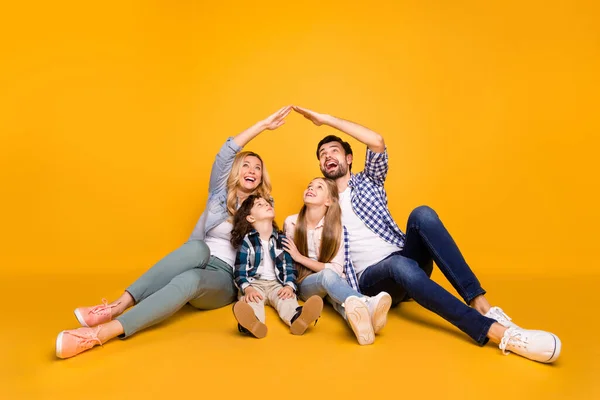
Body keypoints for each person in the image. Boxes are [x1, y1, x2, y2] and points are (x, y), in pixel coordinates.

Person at [293, 105, 561, 363]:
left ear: (348, 158)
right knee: (398, 265)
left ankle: (483, 306)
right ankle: (497, 333)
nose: (328, 156)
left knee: (422, 214)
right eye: (322, 154)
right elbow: (304, 237)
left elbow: (376, 141)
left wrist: (325, 120)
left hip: (406, 259)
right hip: (372, 281)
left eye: (334, 151)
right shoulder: (323, 202)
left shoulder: (368, 182)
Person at [55, 106, 292, 358]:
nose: (252, 171)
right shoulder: (218, 197)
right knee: (197, 249)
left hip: (224, 280)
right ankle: (116, 306)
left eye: (258, 168)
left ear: (261, 177)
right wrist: (263, 125)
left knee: (190, 280)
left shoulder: (263, 207)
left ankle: (101, 334)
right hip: (195, 259)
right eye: (246, 165)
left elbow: (268, 247)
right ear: (236, 171)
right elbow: (225, 154)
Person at [282, 177, 392, 345]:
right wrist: (296, 259)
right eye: (309, 185)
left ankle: (365, 329)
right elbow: (288, 262)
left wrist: (300, 257)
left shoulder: (336, 230)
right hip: (305, 285)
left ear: (329, 200)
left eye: (319, 187)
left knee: (345, 304)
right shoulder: (291, 223)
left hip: (333, 283)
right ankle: (367, 302)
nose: (311, 188)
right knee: (327, 275)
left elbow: (336, 269)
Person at [230, 195, 323, 338]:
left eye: (267, 203)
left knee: (287, 300)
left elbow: (289, 268)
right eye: (259, 205)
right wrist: (247, 289)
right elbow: (239, 271)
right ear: (250, 218)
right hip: (254, 285)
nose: (267, 205)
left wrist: (289, 286)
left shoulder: (282, 240)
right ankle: (252, 323)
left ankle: (298, 318)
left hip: (276, 284)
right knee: (251, 302)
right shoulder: (247, 241)